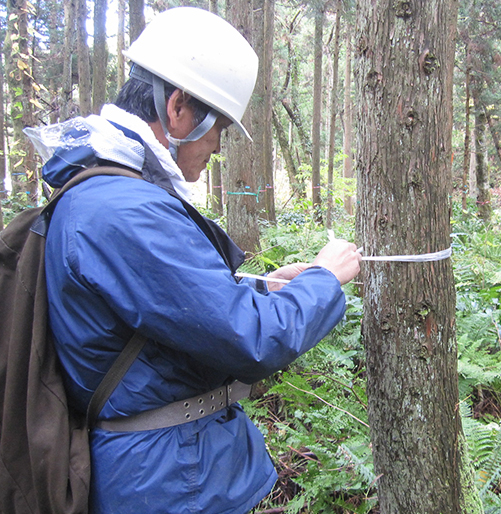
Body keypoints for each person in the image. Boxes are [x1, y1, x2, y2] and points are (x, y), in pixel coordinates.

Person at [29, 7, 361, 514]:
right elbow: (248, 340)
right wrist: (324, 278)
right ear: (179, 107)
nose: (216, 148)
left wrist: (265, 288)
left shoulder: (110, 194)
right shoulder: (124, 211)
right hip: (170, 484)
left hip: (170, 470)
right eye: (219, 129)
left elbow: (169, 316)